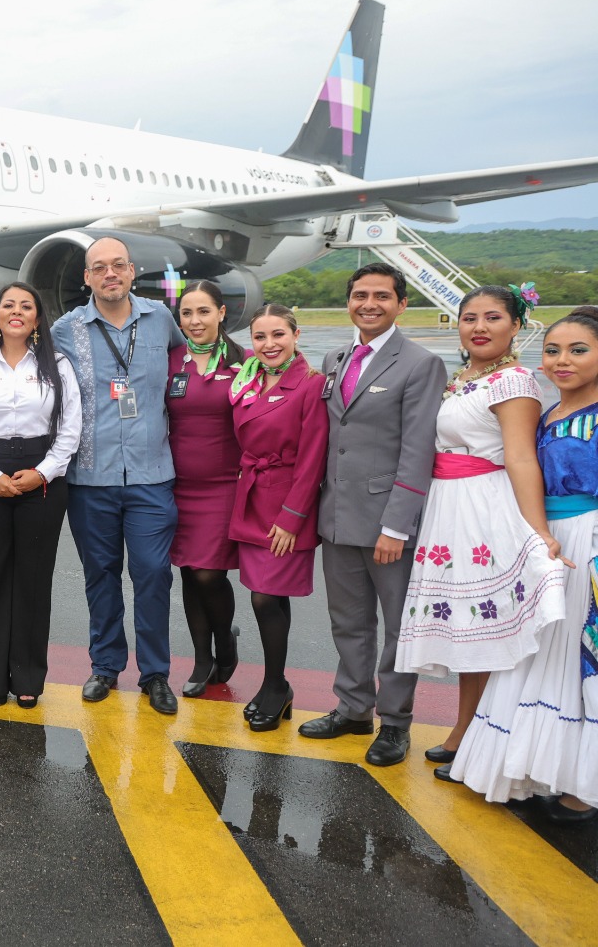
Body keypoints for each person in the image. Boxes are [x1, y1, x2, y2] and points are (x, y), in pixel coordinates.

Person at [399, 286, 565, 775]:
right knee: (469, 631)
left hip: (485, 509)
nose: (479, 327)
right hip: (450, 507)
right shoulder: (464, 379)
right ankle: (467, 728)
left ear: (516, 325)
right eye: (469, 317)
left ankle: (482, 736)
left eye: (493, 317)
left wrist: (537, 532)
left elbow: (520, 459)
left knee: (486, 629)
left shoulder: (512, 382)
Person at [449, 306, 598, 820]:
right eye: (553, 350)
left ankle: (585, 785)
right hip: (544, 539)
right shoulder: (549, 412)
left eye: (578, 350)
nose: (561, 360)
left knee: (579, 659)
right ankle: (539, 768)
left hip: (586, 545)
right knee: (540, 656)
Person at [298, 263, 446, 766]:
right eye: (360, 295)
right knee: (348, 621)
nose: (369, 304)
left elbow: (418, 450)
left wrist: (396, 525)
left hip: (388, 521)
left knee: (399, 627)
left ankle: (395, 723)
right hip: (338, 516)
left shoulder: (421, 364)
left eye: (382, 296)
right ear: (349, 302)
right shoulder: (336, 357)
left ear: (401, 304)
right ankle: (353, 708)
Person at [51, 236, 185, 714]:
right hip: (91, 478)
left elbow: (193, 359)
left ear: (131, 271)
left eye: (118, 265)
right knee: (101, 575)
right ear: (87, 277)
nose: (110, 274)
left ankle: (155, 673)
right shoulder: (66, 329)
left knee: (153, 574)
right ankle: (105, 665)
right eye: (99, 267)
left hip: (151, 475)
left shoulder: (160, 319)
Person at [0, 283, 81, 709]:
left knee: (33, 579)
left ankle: (27, 676)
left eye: (26, 306)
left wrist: (42, 472)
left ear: (37, 318)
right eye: (9, 305)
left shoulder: (56, 365)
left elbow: (71, 427)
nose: (17, 312)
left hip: (42, 476)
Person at [227, 306, 330, 731]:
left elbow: (314, 456)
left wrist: (292, 517)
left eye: (278, 335)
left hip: (285, 503)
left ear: (295, 335)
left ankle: (276, 684)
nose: (269, 344)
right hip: (252, 497)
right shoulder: (247, 379)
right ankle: (275, 684)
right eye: (260, 337)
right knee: (265, 594)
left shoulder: (310, 383)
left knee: (266, 597)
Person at [167, 281, 246, 698]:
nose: (194, 321)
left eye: (203, 311)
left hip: (223, 485)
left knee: (208, 571)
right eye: (187, 313)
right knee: (187, 571)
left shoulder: (244, 361)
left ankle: (225, 640)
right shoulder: (171, 359)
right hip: (177, 484)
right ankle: (202, 657)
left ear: (221, 313)